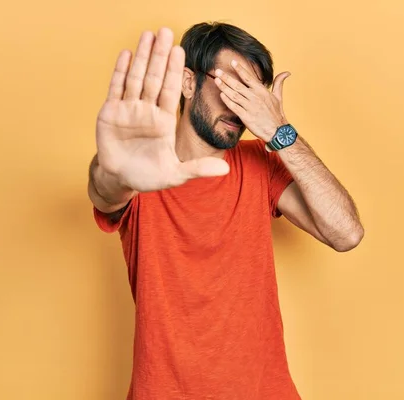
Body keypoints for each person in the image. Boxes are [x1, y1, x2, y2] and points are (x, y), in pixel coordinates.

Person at [88, 22, 364, 400]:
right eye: (229, 87)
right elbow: (105, 192)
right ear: (189, 82)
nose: (238, 108)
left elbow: (346, 233)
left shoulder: (260, 163)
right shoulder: (141, 171)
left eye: (250, 94)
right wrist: (113, 170)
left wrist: (279, 131)